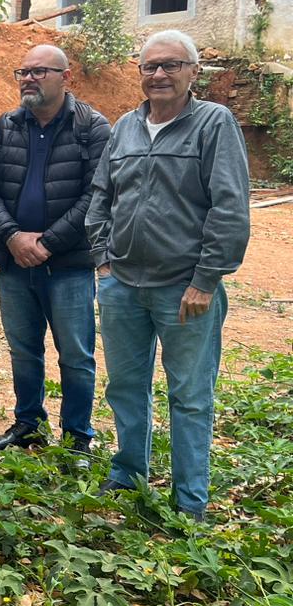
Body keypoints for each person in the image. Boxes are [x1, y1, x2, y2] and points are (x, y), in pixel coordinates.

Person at [86, 30, 250, 521]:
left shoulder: (213, 123)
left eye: (171, 65)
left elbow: (229, 207)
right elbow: (101, 196)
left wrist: (206, 279)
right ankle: (128, 473)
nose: (158, 74)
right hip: (122, 286)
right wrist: (103, 262)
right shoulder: (125, 127)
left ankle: (190, 501)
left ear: (193, 72)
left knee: (190, 396)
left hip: (184, 289)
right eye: (150, 66)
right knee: (124, 387)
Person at [0, 45, 111, 465]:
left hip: (68, 265)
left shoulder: (92, 128)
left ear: (65, 77)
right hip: (14, 263)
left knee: (76, 355)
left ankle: (77, 437)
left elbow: (97, 195)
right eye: (24, 72)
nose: (29, 79)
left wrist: (48, 243)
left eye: (39, 72)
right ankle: (28, 424)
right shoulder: (5, 127)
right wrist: (12, 237)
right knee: (23, 349)